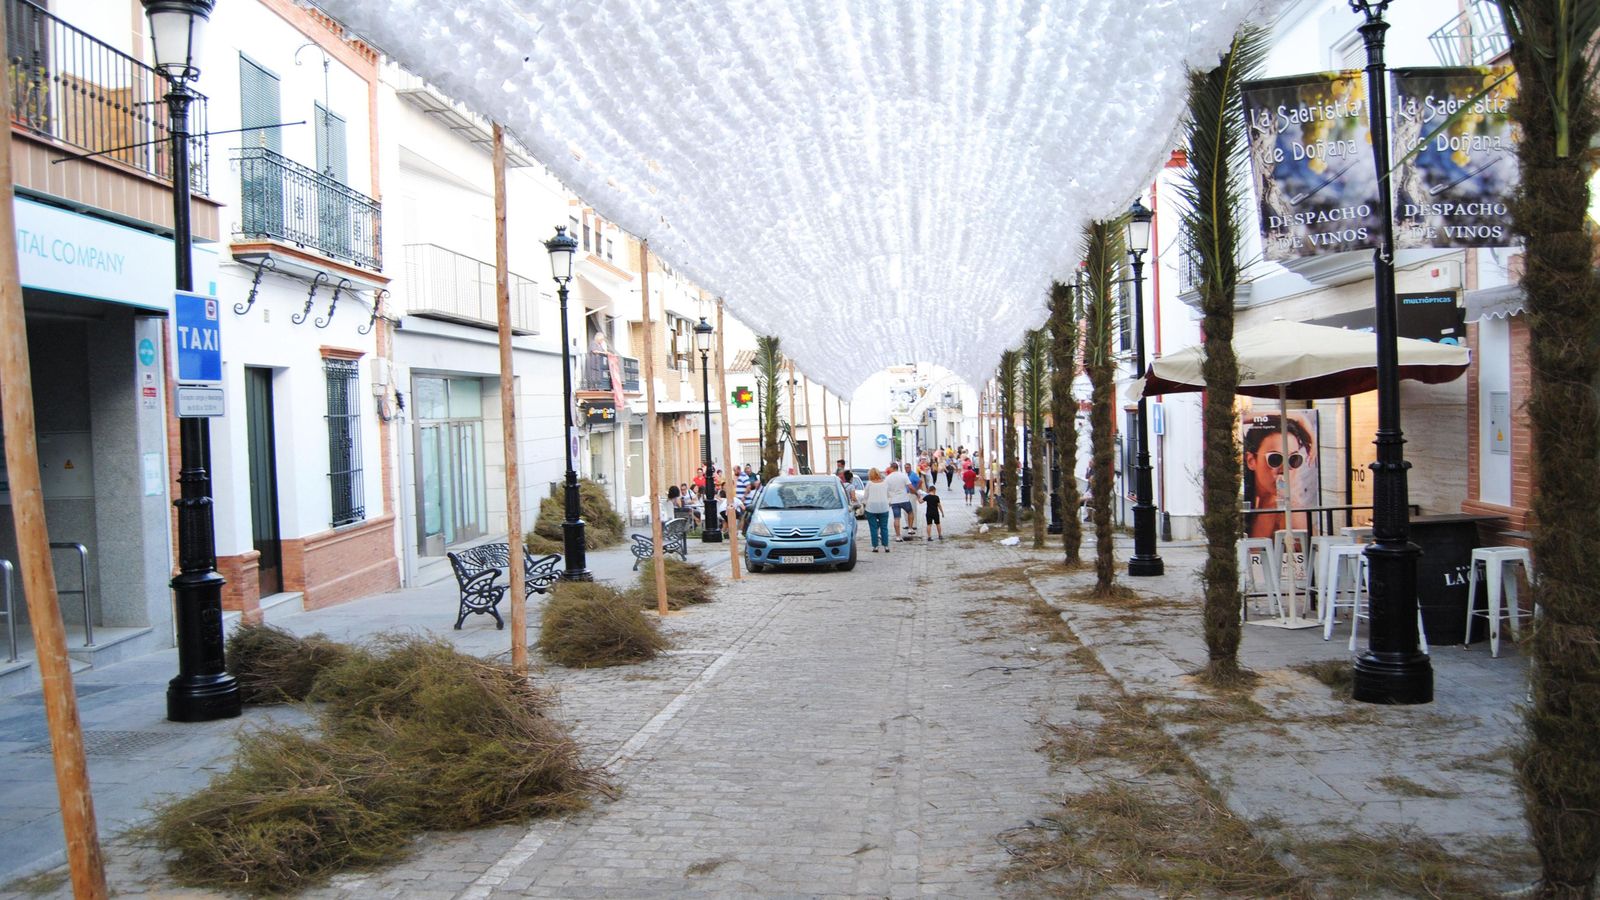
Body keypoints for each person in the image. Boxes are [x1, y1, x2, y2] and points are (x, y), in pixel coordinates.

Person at [1243, 414, 1316, 539]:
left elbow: (1306, 549)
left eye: (1294, 460)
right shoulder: (1247, 501)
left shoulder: (1290, 507)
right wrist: (1300, 419)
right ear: (1251, 460)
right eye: (1275, 459)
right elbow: (1242, 418)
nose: (1284, 469)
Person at [861, 467, 892, 553]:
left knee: (873, 528)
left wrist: (864, 503)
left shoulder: (869, 484)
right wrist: (888, 503)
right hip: (884, 507)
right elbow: (889, 495)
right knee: (884, 527)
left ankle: (875, 546)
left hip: (871, 508)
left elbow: (865, 497)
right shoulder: (885, 483)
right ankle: (886, 546)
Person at [883, 463, 912, 542]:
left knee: (896, 518)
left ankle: (898, 536)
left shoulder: (888, 478)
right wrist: (916, 493)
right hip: (904, 499)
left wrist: (887, 499)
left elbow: (885, 489)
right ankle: (910, 528)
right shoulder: (903, 476)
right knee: (910, 512)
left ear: (892, 468)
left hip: (894, 501)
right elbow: (910, 486)